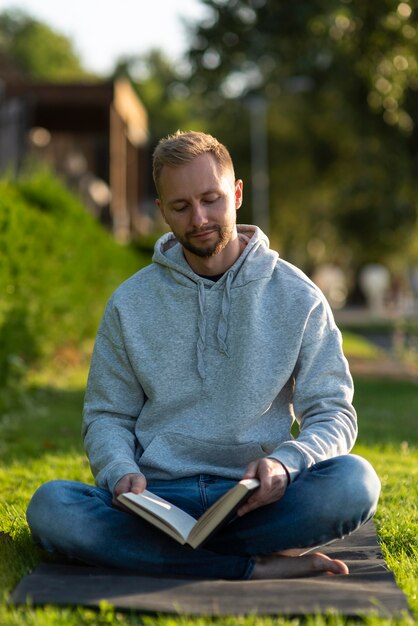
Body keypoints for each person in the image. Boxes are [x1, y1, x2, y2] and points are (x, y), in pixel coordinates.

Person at [27, 130, 380, 580]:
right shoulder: (130, 303)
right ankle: (253, 566)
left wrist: (285, 464)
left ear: (236, 194)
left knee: (355, 483)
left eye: (211, 199)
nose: (199, 218)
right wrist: (119, 471)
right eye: (181, 206)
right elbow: (106, 414)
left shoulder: (298, 296)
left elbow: (333, 413)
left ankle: (168, 558)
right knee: (53, 507)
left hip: (257, 499)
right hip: (156, 502)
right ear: (162, 211)